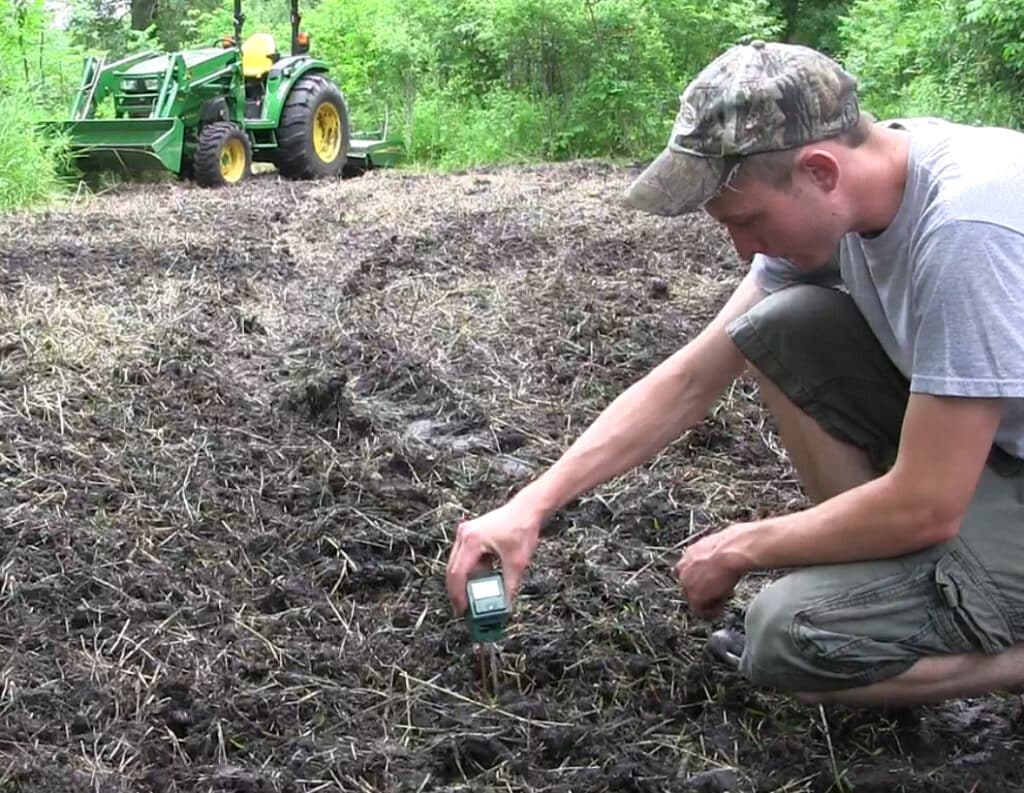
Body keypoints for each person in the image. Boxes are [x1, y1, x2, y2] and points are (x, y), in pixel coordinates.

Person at [445, 40, 1024, 706]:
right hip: (989, 455)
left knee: (788, 638)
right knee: (777, 327)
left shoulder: (965, 229)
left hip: (957, 485)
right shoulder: (865, 191)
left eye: (747, 220)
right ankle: (893, 583)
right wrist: (530, 506)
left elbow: (928, 502)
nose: (743, 246)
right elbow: (693, 377)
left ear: (821, 171)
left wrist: (742, 546)